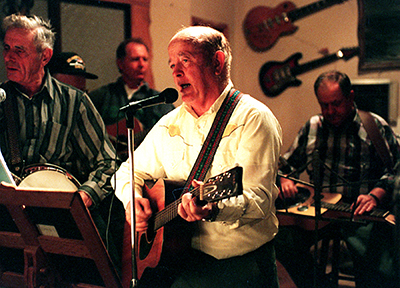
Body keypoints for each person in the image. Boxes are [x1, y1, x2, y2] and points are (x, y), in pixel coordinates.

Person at [113, 26, 282, 288]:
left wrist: (216, 208)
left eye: (185, 60)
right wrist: (132, 201)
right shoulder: (168, 124)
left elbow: (260, 199)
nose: (176, 72)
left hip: (241, 267)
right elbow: (126, 172)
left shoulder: (253, 119)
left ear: (217, 62)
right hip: (181, 263)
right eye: (171, 65)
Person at [0, 14, 124, 280]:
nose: (9, 58)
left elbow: (108, 162)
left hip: (63, 214)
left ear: (44, 57)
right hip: (8, 216)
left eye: (19, 51)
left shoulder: (74, 102)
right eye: (6, 49)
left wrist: (84, 197)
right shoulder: (1, 100)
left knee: (98, 272)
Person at [275, 70, 400, 288]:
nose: (330, 111)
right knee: (280, 238)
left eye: (336, 103)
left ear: (350, 97)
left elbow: (396, 169)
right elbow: (286, 164)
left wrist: (375, 195)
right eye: (324, 105)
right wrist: (286, 179)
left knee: (378, 265)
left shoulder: (373, 126)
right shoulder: (313, 126)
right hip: (319, 212)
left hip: (358, 213)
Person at [89, 38, 175, 160]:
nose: (141, 65)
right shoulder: (102, 95)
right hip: (105, 164)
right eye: (135, 59)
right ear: (120, 63)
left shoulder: (161, 101)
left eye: (145, 59)